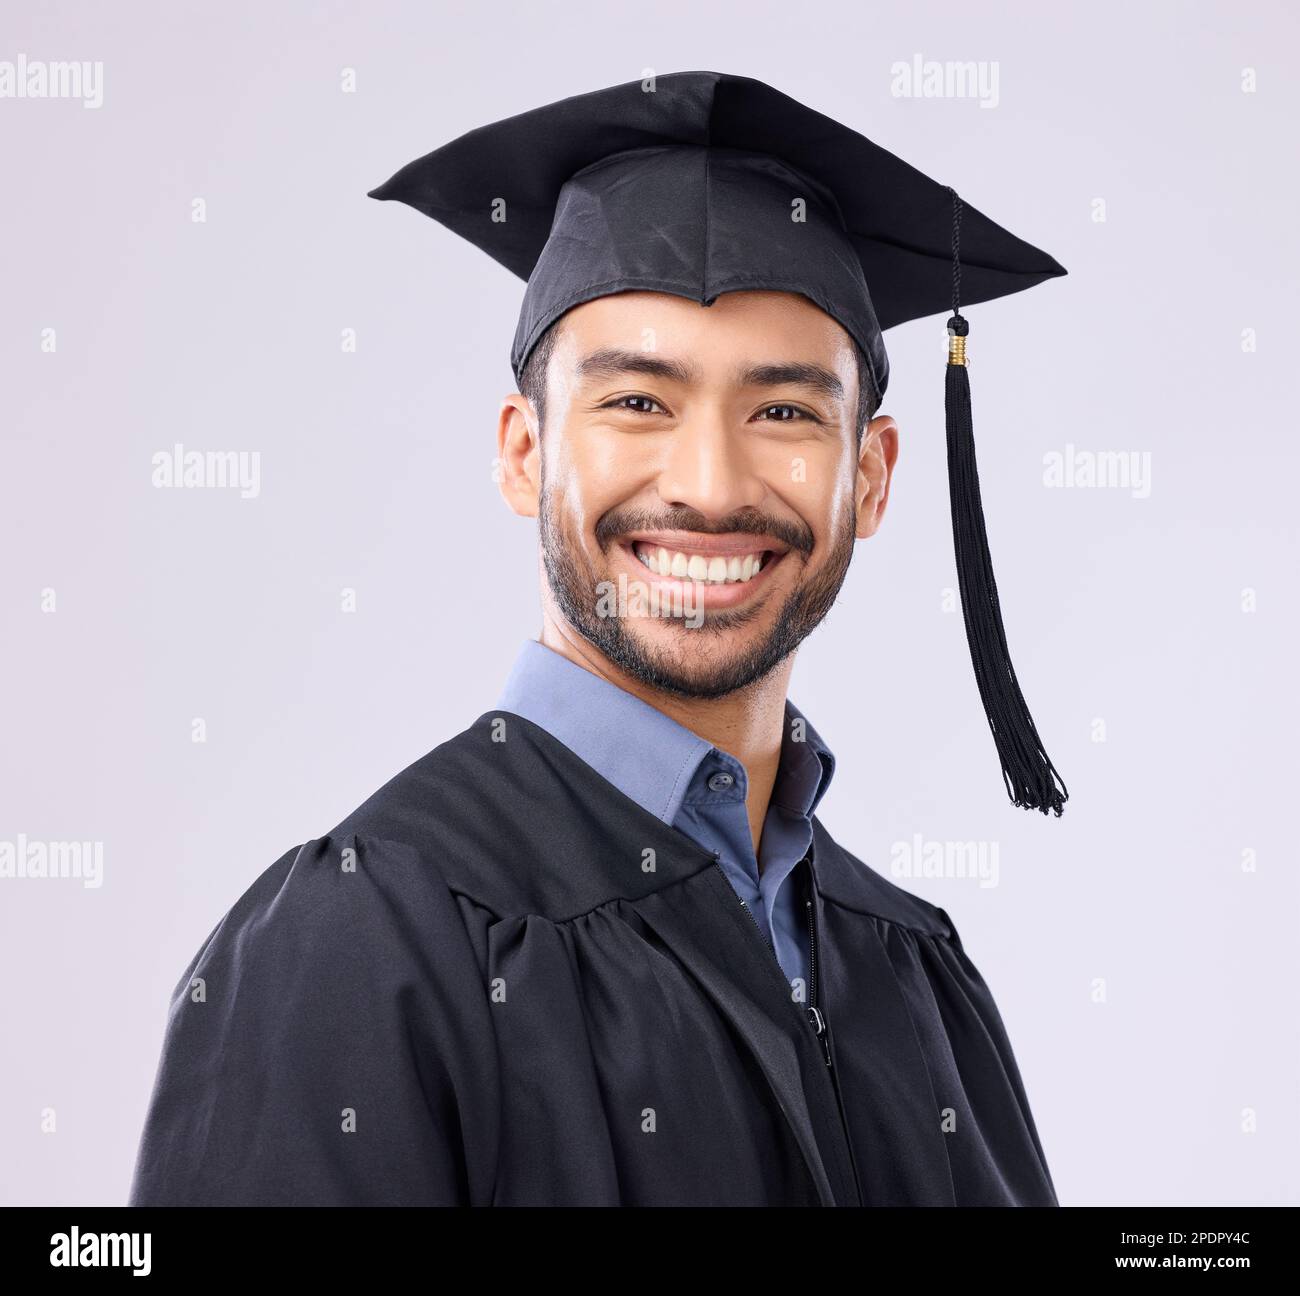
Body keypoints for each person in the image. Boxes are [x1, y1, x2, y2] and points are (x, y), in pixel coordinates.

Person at [129, 70, 1065, 1207]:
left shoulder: (913, 970)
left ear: (868, 479)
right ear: (525, 454)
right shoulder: (358, 945)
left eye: (784, 412)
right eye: (637, 403)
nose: (712, 485)